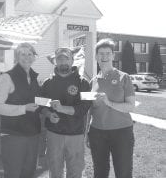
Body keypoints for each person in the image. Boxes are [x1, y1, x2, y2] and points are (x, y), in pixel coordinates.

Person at [87, 38, 135, 178]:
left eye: (108, 53)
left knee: (123, 171)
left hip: (121, 133)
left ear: (113, 56)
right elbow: (90, 111)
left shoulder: (123, 77)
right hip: (97, 133)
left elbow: (130, 106)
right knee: (100, 171)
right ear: (96, 57)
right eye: (101, 54)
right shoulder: (93, 81)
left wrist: (109, 103)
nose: (104, 57)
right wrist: (87, 133)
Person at [40, 47, 91, 178]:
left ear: (72, 60)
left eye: (66, 58)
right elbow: (41, 105)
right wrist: (49, 115)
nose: (63, 62)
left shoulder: (83, 83)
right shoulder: (47, 83)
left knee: (75, 172)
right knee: (55, 171)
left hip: (75, 135)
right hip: (53, 135)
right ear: (55, 61)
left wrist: (62, 108)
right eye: (59, 59)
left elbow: (84, 108)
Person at [0, 43, 41, 178]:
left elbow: (37, 102)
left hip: (33, 134)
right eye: (22, 54)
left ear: (34, 57)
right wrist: (23, 108)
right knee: (14, 173)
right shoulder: (7, 77)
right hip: (13, 135)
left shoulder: (35, 78)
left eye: (30, 54)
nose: (26, 57)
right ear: (16, 57)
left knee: (29, 173)